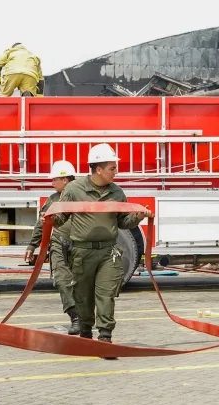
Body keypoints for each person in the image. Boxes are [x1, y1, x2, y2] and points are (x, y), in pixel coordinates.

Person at [52, 143, 152, 353]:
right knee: (83, 296)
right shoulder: (74, 190)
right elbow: (61, 219)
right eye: (112, 168)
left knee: (106, 296)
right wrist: (51, 218)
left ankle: (105, 338)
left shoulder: (117, 193)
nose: (116, 172)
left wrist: (138, 217)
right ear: (98, 169)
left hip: (109, 253)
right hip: (81, 253)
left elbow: (123, 222)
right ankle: (86, 335)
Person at [25, 160, 79, 335]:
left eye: (54, 179)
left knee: (83, 284)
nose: (51, 183)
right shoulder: (52, 200)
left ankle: (86, 317)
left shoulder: (81, 196)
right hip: (58, 244)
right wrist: (32, 245)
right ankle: (75, 318)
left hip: (80, 246)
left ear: (65, 180)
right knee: (63, 281)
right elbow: (41, 224)